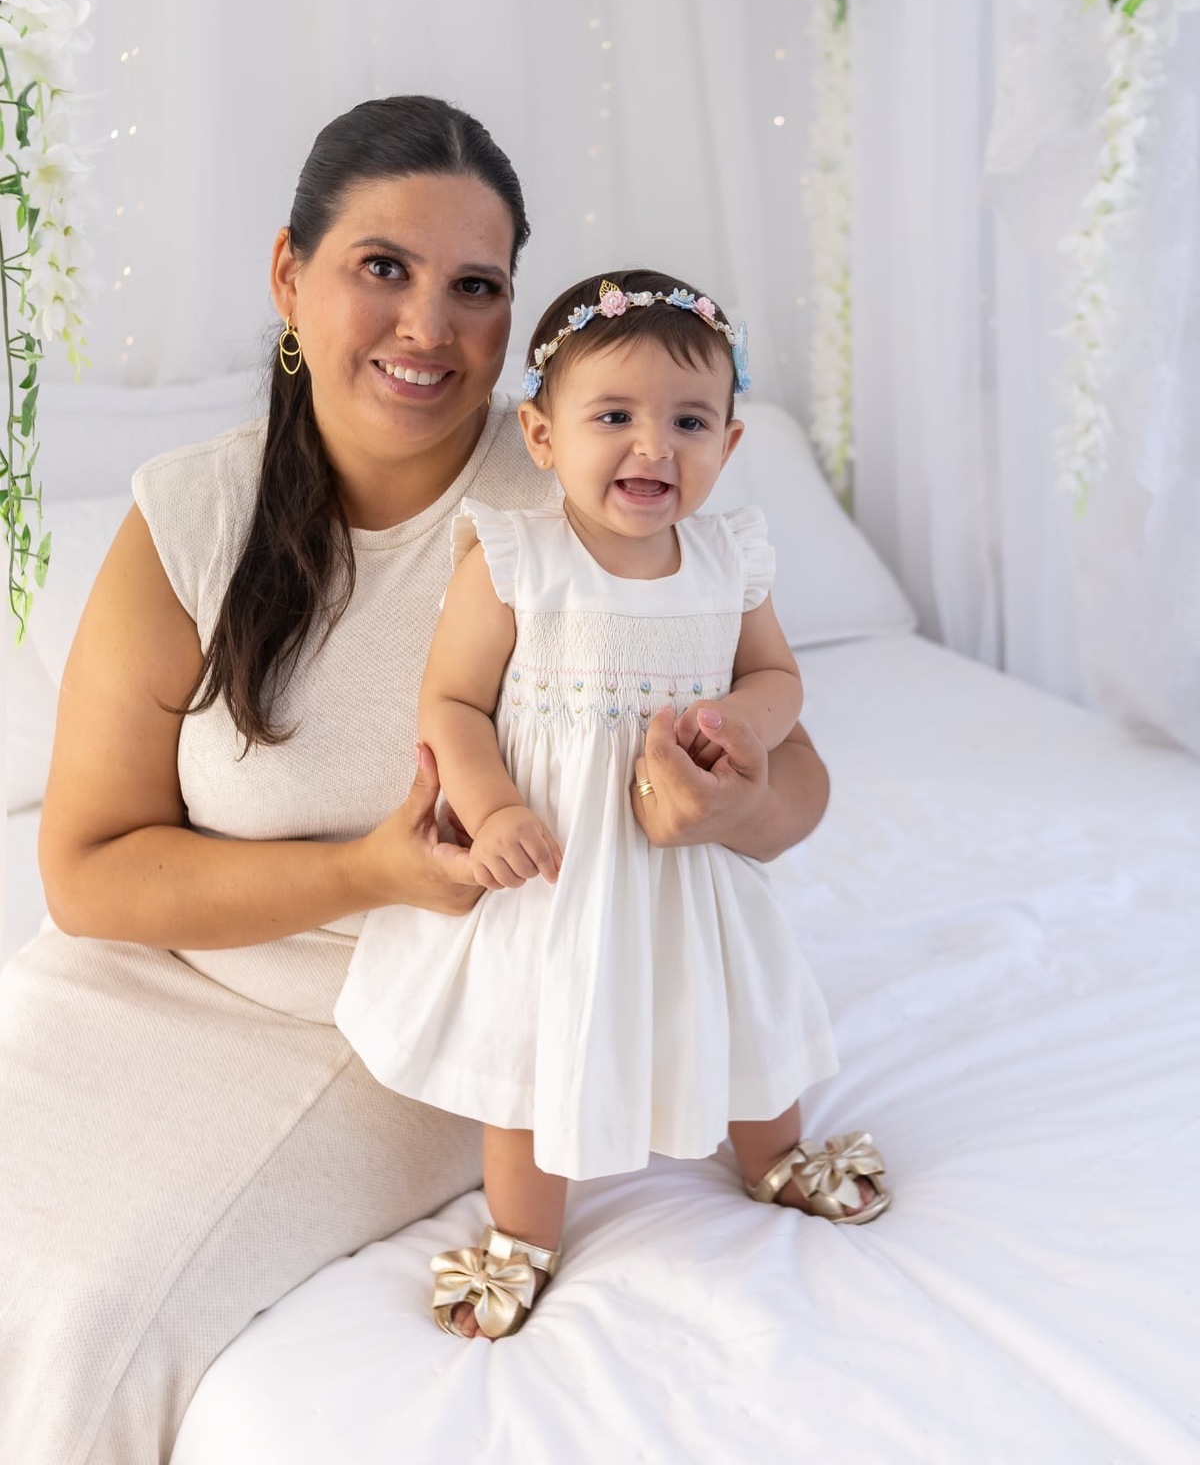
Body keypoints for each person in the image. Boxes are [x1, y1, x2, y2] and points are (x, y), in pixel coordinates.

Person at [0, 97, 835, 1463]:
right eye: (381, 267)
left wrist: (741, 801)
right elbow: (88, 874)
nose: (426, 326)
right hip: (138, 977)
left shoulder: (592, 490)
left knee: (88, 1320)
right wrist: (370, 864)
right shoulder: (190, 520)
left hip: (398, 1021)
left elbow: (794, 783)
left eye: (476, 287)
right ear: (290, 274)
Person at [335, 267, 890, 1343]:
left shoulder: (731, 559)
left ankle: (773, 1153)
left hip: (689, 857)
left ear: (728, 446)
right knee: (532, 1054)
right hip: (555, 863)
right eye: (614, 417)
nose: (654, 446)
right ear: (544, 438)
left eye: (690, 420)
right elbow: (451, 703)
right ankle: (524, 1237)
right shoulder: (516, 559)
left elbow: (781, 678)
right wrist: (492, 809)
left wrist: (744, 722)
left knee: (736, 1004)